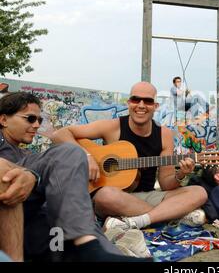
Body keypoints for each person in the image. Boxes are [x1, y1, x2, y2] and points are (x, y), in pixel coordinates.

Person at [0, 91, 149, 262]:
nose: (36, 125)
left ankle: (97, 251)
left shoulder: (24, 153)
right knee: (68, 155)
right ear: (3, 120)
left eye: (39, 120)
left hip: (37, 222)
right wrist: (32, 175)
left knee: (71, 156)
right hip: (17, 212)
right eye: (30, 119)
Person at [51, 81, 208, 231]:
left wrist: (181, 174)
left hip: (146, 196)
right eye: (135, 99)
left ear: (155, 106)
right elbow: (60, 134)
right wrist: (86, 156)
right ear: (128, 103)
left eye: (147, 101)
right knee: (105, 195)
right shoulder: (113, 127)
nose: (141, 105)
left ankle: (137, 220)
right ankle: (171, 215)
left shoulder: (164, 135)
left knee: (199, 192)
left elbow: (166, 184)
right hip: (115, 198)